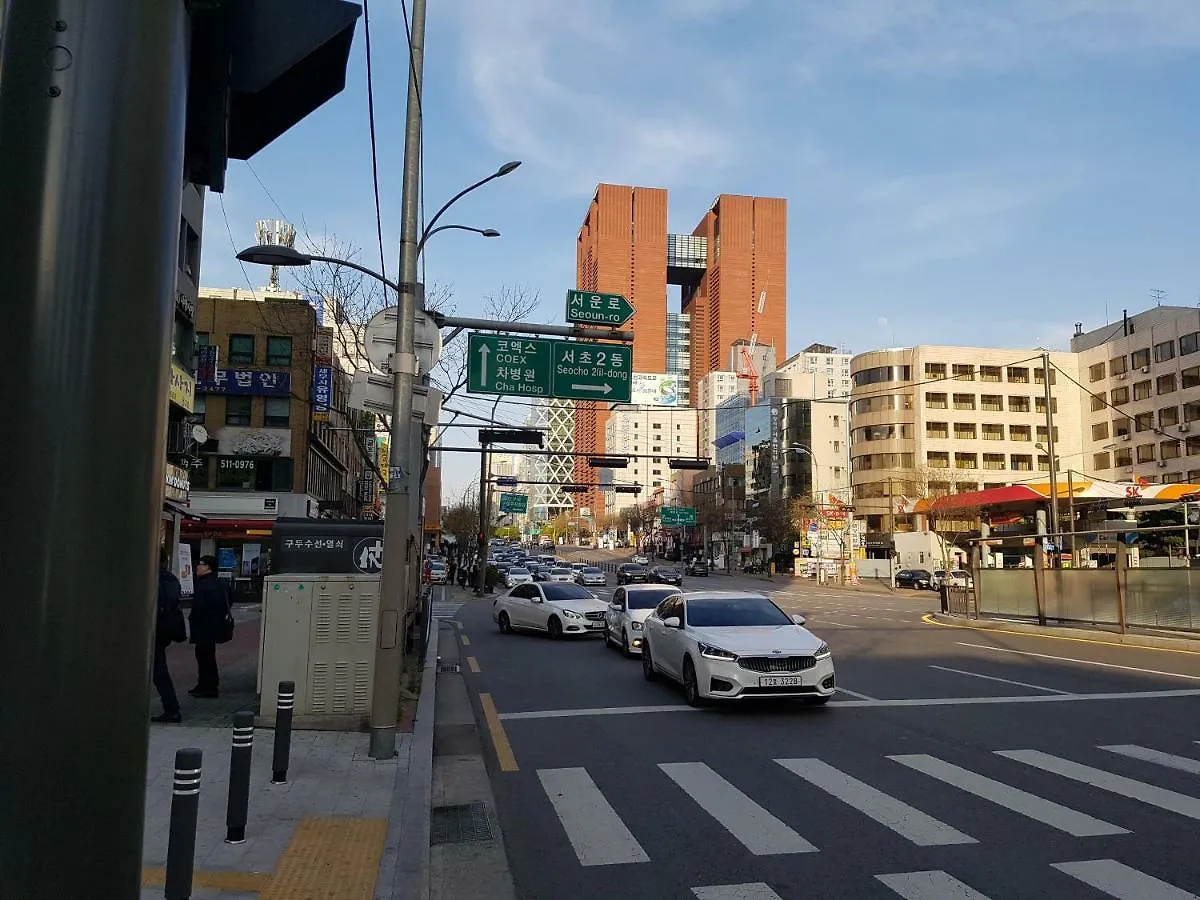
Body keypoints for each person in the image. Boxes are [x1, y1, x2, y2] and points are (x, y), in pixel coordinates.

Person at [189, 555, 231, 698]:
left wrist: (193, 618)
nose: (197, 567)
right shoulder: (220, 583)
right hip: (215, 625)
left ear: (208, 567)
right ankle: (206, 684)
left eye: (201, 564)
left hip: (204, 625)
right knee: (207, 655)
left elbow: (198, 607)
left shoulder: (203, 585)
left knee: (204, 656)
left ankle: (207, 686)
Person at [152, 553, 186, 723]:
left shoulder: (152, 579)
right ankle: (172, 708)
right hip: (163, 630)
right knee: (160, 672)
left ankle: (172, 709)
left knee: (158, 672)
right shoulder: (171, 579)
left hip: (150, 631)